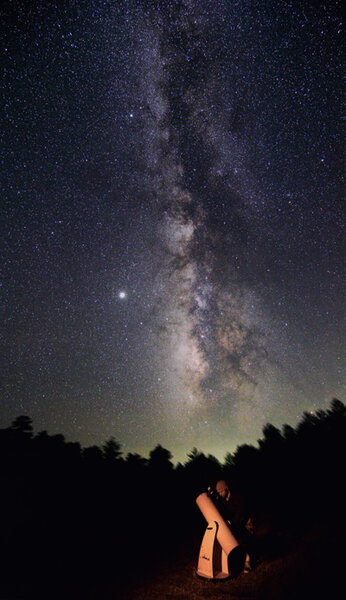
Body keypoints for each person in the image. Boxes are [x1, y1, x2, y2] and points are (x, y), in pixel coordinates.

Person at [213, 479, 253, 573]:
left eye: (221, 491)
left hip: (245, 520)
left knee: (246, 539)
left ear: (226, 489)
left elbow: (241, 512)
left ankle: (248, 562)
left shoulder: (237, 496)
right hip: (235, 522)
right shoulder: (222, 500)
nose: (220, 494)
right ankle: (242, 560)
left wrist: (234, 523)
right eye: (218, 492)